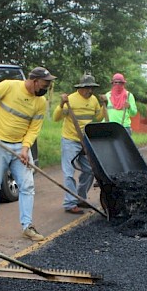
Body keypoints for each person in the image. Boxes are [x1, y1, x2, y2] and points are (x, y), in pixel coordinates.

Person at [0, 66, 55, 242]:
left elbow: (34, 128)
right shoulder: (9, 86)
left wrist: (25, 148)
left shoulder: (40, 103)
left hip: (20, 148)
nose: (46, 88)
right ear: (34, 81)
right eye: (44, 84)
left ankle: (28, 226)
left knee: (27, 187)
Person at [53, 74, 106, 213]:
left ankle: (80, 198)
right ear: (81, 88)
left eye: (92, 88)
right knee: (69, 173)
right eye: (88, 88)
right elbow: (56, 118)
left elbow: (99, 117)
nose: (90, 91)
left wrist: (104, 105)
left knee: (89, 171)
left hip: (85, 141)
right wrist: (61, 104)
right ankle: (70, 204)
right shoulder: (71, 99)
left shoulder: (93, 100)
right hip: (70, 140)